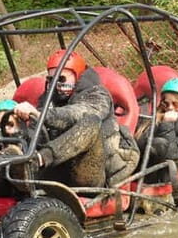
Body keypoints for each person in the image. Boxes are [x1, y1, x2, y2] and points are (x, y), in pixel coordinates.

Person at [13, 50, 139, 188]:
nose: (55, 85)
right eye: (51, 80)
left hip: (93, 170)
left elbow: (78, 113)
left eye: (61, 79)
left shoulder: (97, 95)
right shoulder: (49, 99)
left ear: (77, 76)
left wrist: (41, 115)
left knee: (91, 121)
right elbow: (37, 132)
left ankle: (38, 161)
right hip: (59, 170)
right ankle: (10, 166)